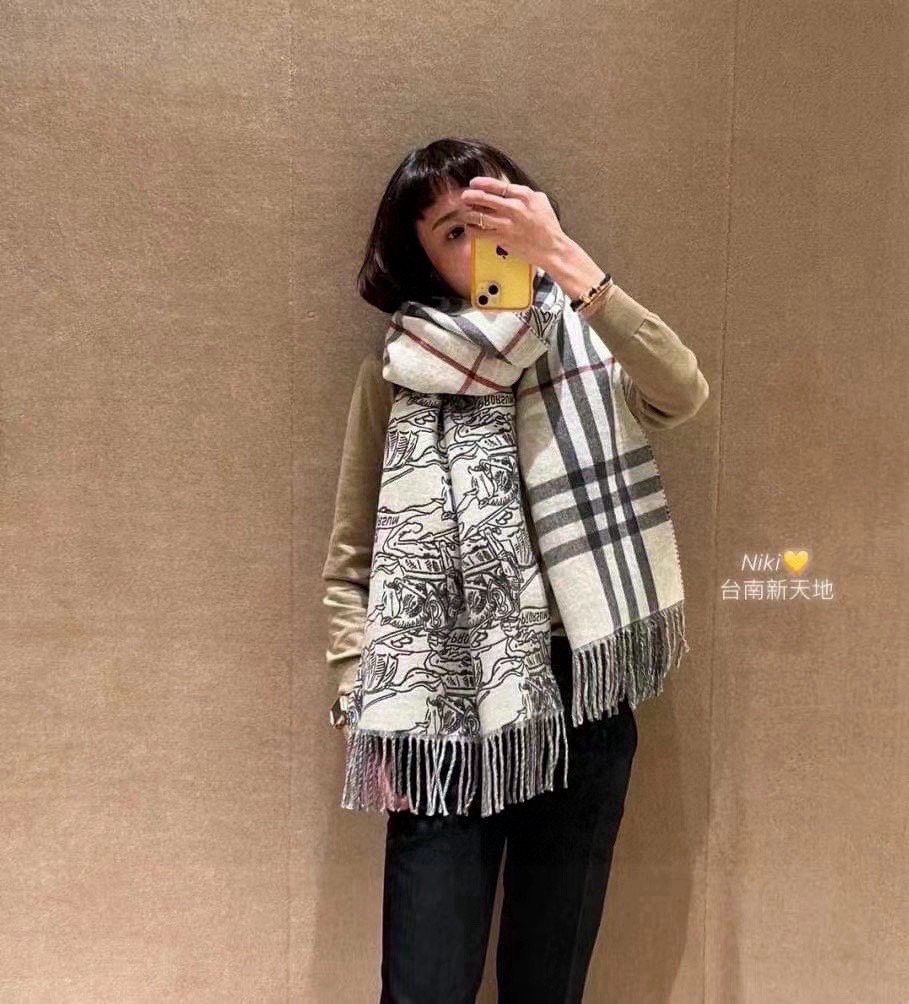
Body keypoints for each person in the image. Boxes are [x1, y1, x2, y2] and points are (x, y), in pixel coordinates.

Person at [321, 137, 709, 1003]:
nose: (483, 241)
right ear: (420, 258)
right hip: (440, 703)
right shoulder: (399, 372)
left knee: (547, 981)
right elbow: (352, 558)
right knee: (424, 982)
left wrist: (566, 263)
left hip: (580, 696)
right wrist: (356, 700)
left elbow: (681, 392)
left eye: (500, 213)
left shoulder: (590, 341)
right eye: (454, 229)